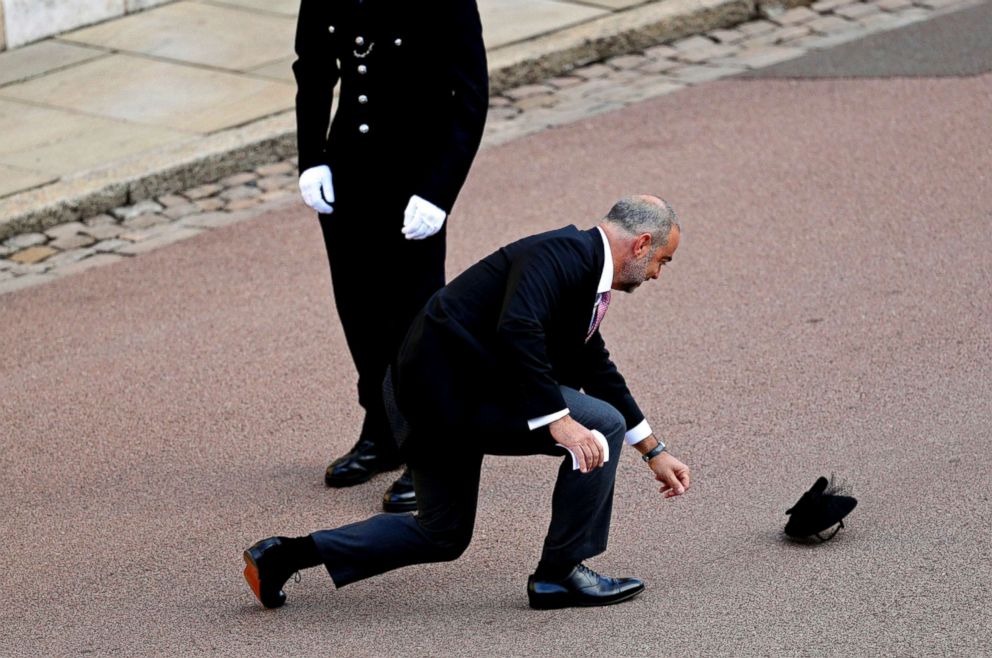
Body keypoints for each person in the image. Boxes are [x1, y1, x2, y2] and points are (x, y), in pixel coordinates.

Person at [243, 196, 692, 610]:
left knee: (441, 535)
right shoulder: (557, 255)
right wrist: (561, 421)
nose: (657, 274)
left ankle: (284, 555)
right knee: (601, 425)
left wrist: (654, 450)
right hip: (444, 399)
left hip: (440, 397)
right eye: (663, 261)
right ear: (642, 244)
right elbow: (519, 329)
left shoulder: (581, 269)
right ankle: (560, 575)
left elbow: (595, 364)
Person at [293, 0, 489, 511]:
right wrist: (312, 157)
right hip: (348, 173)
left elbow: (470, 95)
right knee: (357, 309)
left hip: (414, 178)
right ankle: (380, 430)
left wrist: (439, 191)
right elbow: (313, 68)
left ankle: (427, 451)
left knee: (416, 322)